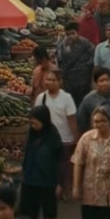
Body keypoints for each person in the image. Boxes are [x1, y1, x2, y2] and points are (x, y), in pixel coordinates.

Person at [20, 106, 63, 219]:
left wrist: (59, 183)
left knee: (47, 216)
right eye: (31, 123)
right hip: (30, 180)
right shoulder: (31, 134)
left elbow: (60, 161)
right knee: (32, 214)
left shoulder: (53, 136)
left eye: (35, 122)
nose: (32, 125)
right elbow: (27, 155)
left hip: (47, 182)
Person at [35, 69, 79, 199]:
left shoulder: (66, 98)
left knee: (65, 166)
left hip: (64, 138)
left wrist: (75, 137)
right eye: (47, 79)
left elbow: (71, 119)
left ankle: (66, 189)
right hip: (47, 139)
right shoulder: (41, 98)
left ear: (60, 82)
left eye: (52, 80)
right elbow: (36, 118)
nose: (48, 82)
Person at [56, 22, 95, 106]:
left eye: (73, 33)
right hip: (69, 81)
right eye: (68, 34)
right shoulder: (63, 45)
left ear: (77, 33)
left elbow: (94, 57)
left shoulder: (85, 43)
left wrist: (85, 66)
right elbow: (61, 61)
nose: (70, 36)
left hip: (83, 80)